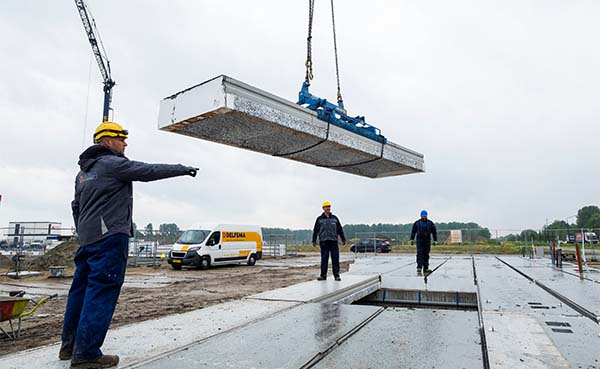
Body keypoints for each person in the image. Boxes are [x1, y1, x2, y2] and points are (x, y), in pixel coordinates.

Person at [60, 122, 198, 368]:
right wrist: (182, 169)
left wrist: (84, 232)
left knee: (80, 291)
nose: (125, 143)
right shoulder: (113, 164)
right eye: (121, 138)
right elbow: (148, 170)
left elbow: (76, 207)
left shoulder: (82, 174)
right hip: (110, 238)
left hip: (87, 240)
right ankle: (87, 354)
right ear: (107, 141)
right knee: (102, 290)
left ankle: (69, 347)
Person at [312, 201, 346, 281]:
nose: (328, 208)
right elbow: (315, 230)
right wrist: (314, 240)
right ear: (323, 208)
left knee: (335, 258)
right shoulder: (319, 219)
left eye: (329, 207)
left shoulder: (334, 218)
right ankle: (323, 275)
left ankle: (336, 275)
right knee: (324, 259)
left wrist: (343, 238)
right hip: (324, 242)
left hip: (333, 241)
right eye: (326, 207)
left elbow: (339, 229)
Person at [410, 210, 437, 275]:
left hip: (427, 241)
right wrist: (412, 239)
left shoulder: (430, 223)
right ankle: (419, 267)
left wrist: (435, 240)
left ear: (426, 216)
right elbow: (413, 231)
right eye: (423, 216)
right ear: (421, 216)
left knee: (426, 254)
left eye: (425, 216)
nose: (424, 217)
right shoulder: (417, 223)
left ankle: (426, 268)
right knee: (420, 253)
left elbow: (434, 232)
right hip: (420, 241)